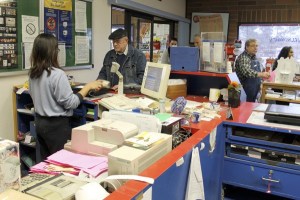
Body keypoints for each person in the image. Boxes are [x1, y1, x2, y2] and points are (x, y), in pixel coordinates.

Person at [28, 33, 103, 161]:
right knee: (60, 163)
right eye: (56, 50)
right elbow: (71, 103)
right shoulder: (57, 74)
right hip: (56, 127)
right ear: (52, 52)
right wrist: (88, 87)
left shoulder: (33, 73)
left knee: (46, 163)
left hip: (40, 123)